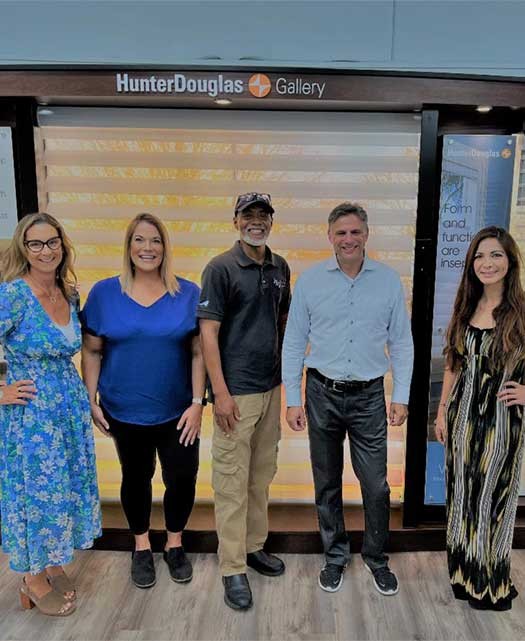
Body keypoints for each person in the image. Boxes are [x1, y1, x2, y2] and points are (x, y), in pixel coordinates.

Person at [282, 202, 413, 596]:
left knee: (376, 485)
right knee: (327, 482)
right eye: (341, 232)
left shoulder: (389, 282)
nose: (348, 239)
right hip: (321, 392)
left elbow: (402, 343)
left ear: (367, 235)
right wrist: (293, 398)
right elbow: (292, 343)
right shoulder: (309, 282)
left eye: (355, 232)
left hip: (370, 396)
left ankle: (376, 558)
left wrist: (401, 395)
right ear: (330, 237)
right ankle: (335, 557)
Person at [81, 212, 205, 589]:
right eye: (139, 240)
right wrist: (91, 401)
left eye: (155, 240)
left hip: (179, 409)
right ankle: (141, 547)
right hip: (124, 409)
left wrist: (199, 402)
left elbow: (199, 352)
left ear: (165, 247)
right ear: (128, 246)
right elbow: (91, 351)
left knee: (182, 477)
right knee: (136, 478)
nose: (147, 248)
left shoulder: (188, 294)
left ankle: (174, 542)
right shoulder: (104, 294)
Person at [0, 212, 101, 616]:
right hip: (33, 415)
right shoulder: (12, 296)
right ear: (23, 249)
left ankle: (53, 559)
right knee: (37, 494)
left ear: (63, 245)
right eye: (36, 243)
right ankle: (32, 578)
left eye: (53, 242)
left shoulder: (69, 292)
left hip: (68, 409)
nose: (46, 251)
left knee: (64, 488)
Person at [198, 192, 291, 611]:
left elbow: (283, 321)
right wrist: (218, 393)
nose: (257, 222)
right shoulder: (220, 268)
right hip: (234, 394)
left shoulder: (280, 266)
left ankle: (254, 548)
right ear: (235, 221)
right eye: (248, 215)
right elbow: (208, 334)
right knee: (232, 483)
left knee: (260, 476)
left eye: (263, 216)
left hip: (271, 389)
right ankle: (232, 567)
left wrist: (289, 382)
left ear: (271, 221)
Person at [435, 226, 525, 611]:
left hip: (502, 421)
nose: (487, 263)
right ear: (472, 264)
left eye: (496, 255)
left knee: (493, 499)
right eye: (480, 256)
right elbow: (453, 364)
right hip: (462, 419)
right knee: (462, 497)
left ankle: (492, 583)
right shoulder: (466, 305)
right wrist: (441, 412)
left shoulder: (521, 309)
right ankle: (466, 575)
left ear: (510, 261)